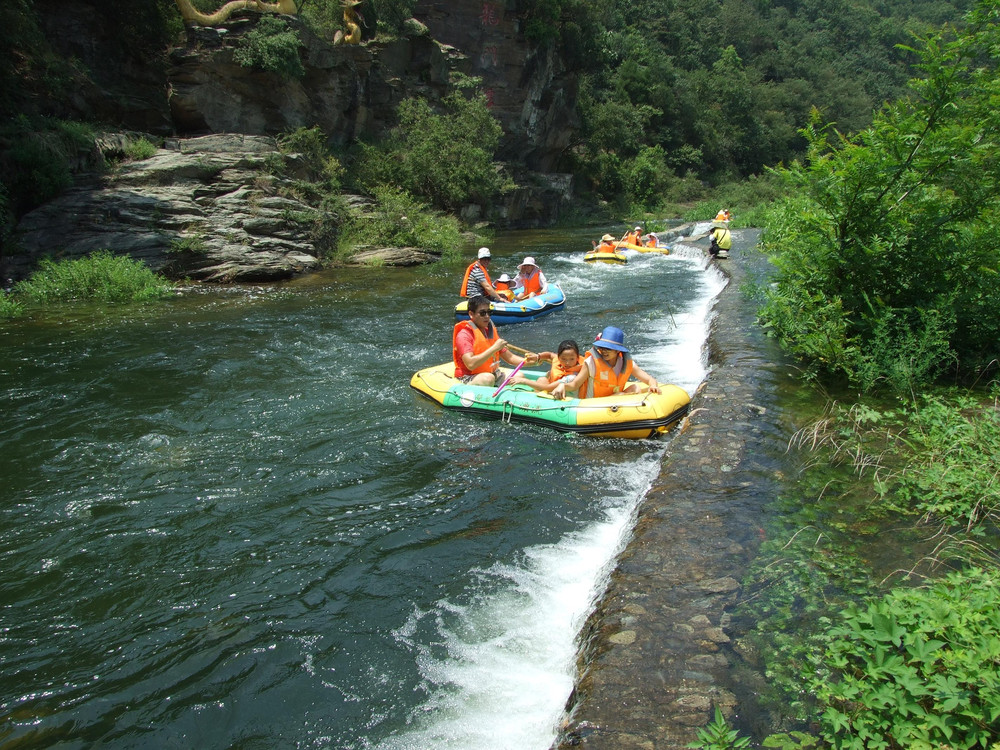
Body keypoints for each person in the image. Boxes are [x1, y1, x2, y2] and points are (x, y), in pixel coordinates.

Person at [551, 326, 661, 400]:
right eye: (602, 347)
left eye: (609, 348)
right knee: (622, 394)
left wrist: (653, 385)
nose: (604, 351)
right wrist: (563, 386)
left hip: (615, 401)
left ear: (618, 350)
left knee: (635, 388)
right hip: (593, 404)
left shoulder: (626, 363)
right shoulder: (591, 363)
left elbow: (649, 379)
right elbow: (575, 384)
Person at [453, 295, 537, 386]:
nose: (487, 316)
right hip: (469, 376)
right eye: (482, 313)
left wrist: (533, 362)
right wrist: (494, 348)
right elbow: (471, 364)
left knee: (519, 375)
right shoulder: (464, 335)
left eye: (489, 312)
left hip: (492, 374)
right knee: (488, 378)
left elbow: (511, 358)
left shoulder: (489, 331)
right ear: (471, 314)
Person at [512, 339, 583, 393]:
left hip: (559, 391)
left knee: (542, 380)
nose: (568, 362)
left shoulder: (573, 376)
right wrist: (538, 357)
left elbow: (548, 387)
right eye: (564, 359)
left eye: (572, 359)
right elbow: (549, 355)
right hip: (553, 385)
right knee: (546, 376)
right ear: (559, 357)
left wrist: (524, 381)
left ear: (577, 358)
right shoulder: (558, 359)